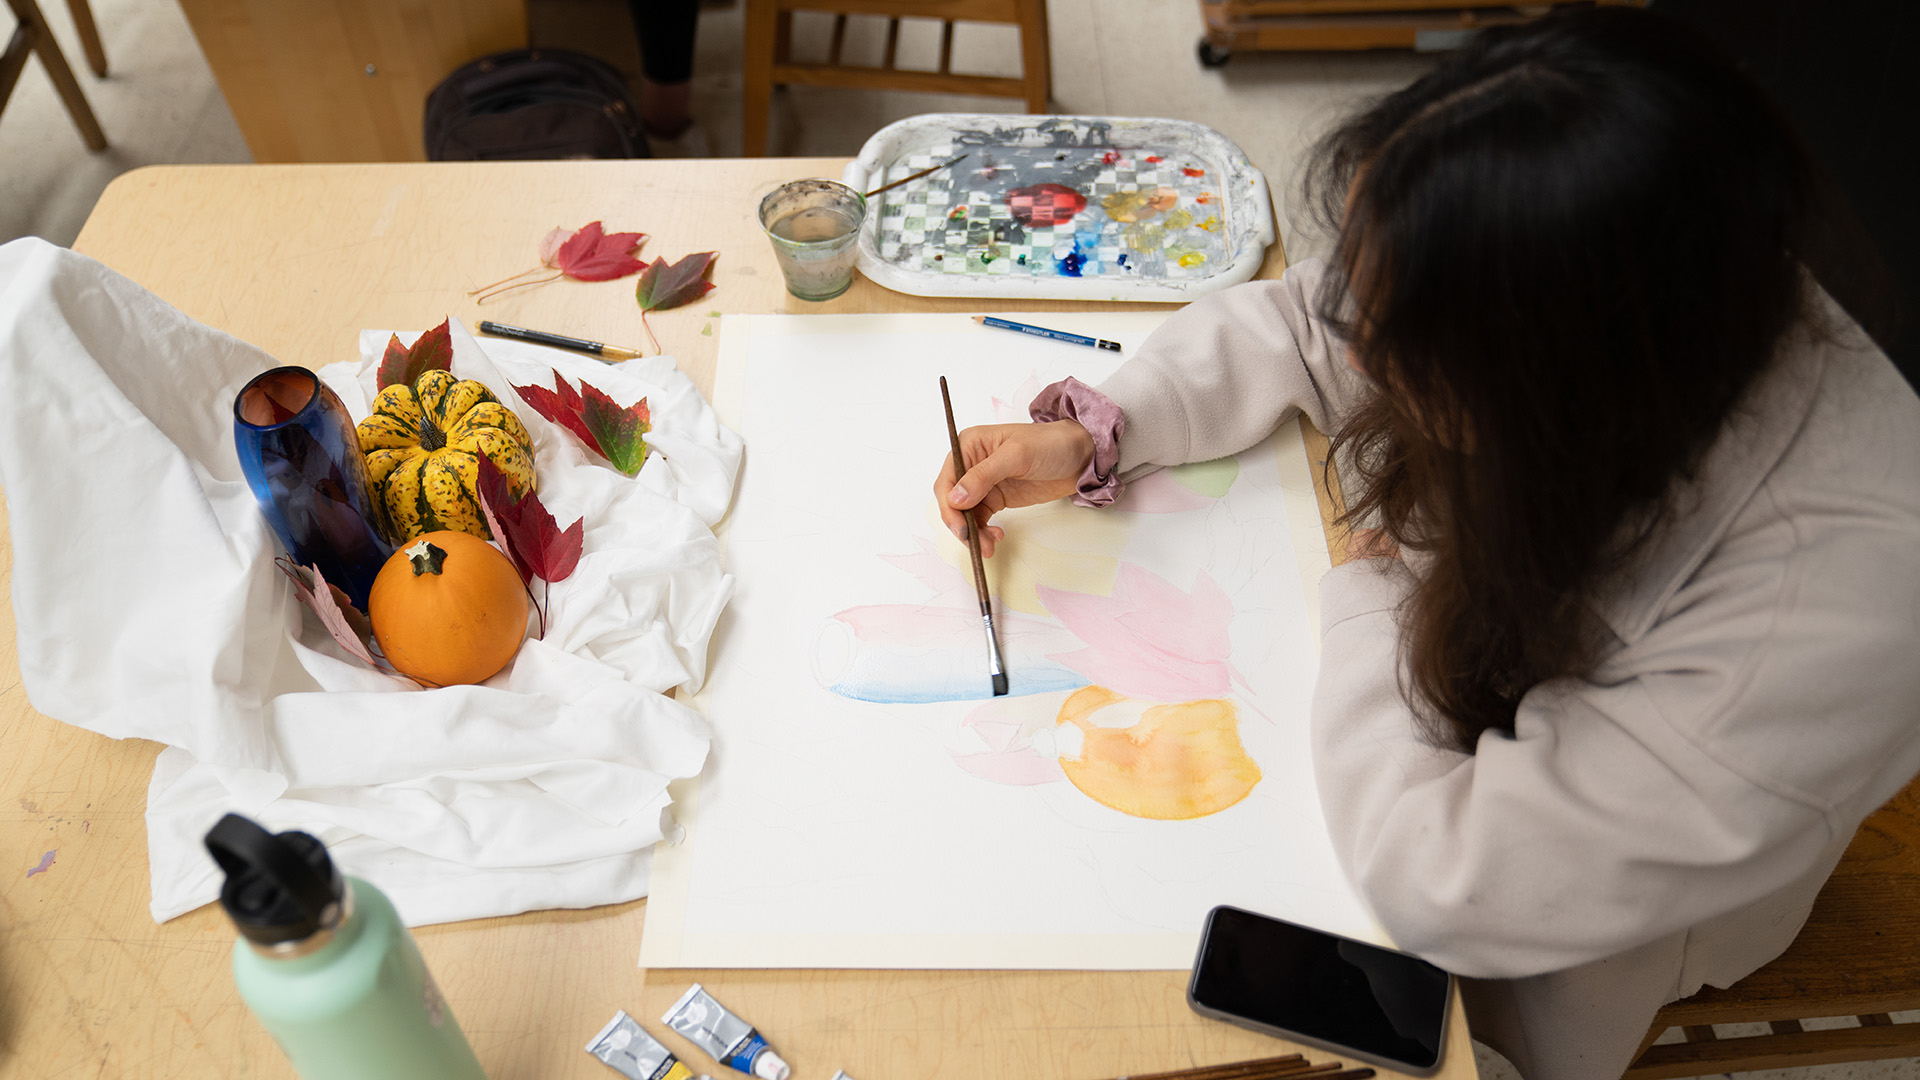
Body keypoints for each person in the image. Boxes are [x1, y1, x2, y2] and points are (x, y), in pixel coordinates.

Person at [932, 9, 1920, 1079]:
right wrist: (1095, 429)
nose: (1359, 341)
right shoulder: (1608, 266)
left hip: (1595, 928)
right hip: (1457, 707)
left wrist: (1369, 606)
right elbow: (1313, 322)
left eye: (1402, 348)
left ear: (1549, 394)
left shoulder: (1827, 608)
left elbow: (1448, 883)